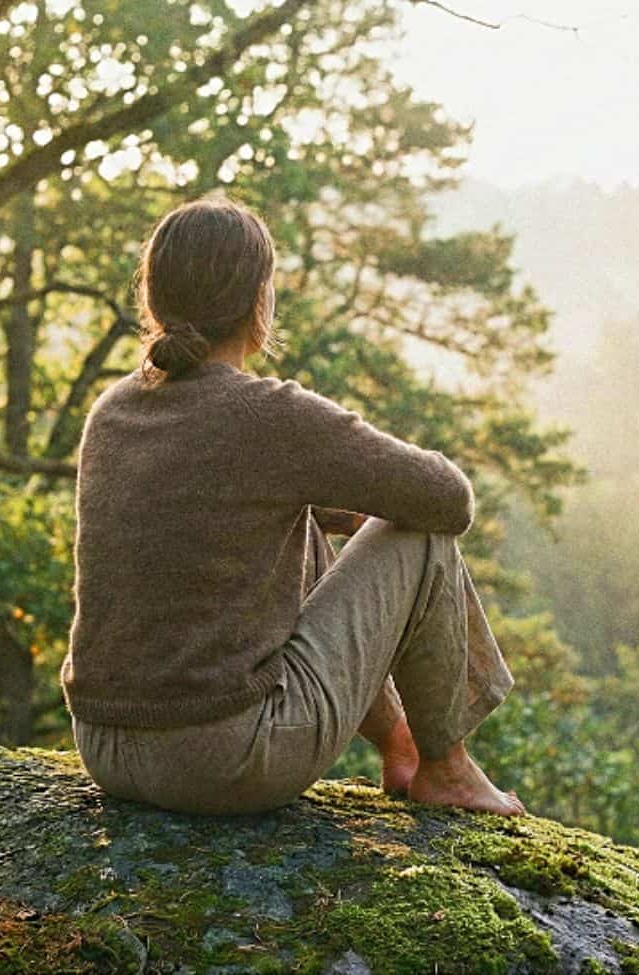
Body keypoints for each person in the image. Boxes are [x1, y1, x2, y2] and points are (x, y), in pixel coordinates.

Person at [60, 196, 526, 818]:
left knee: (300, 522)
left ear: (154, 301)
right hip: (224, 762)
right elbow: (448, 499)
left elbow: (199, 512)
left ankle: (402, 744)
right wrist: (363, 507)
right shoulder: (269, 414)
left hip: (104, 746)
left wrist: (325, 506)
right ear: (260, 301)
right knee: (419, 538)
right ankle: (447, 768)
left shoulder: (112, 410)